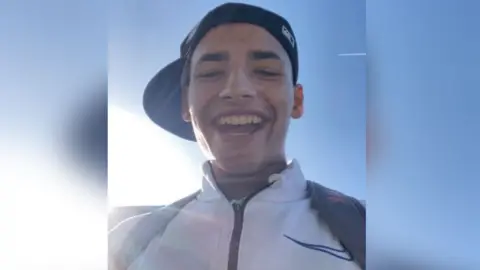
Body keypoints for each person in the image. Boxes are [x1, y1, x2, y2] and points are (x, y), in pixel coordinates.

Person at [109, 3, 365, 270]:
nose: (237, 89)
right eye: (211, 73)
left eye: (266, 71)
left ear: (296, 101)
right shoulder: (124, 242)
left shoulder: (366, 228)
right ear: (185, 103)